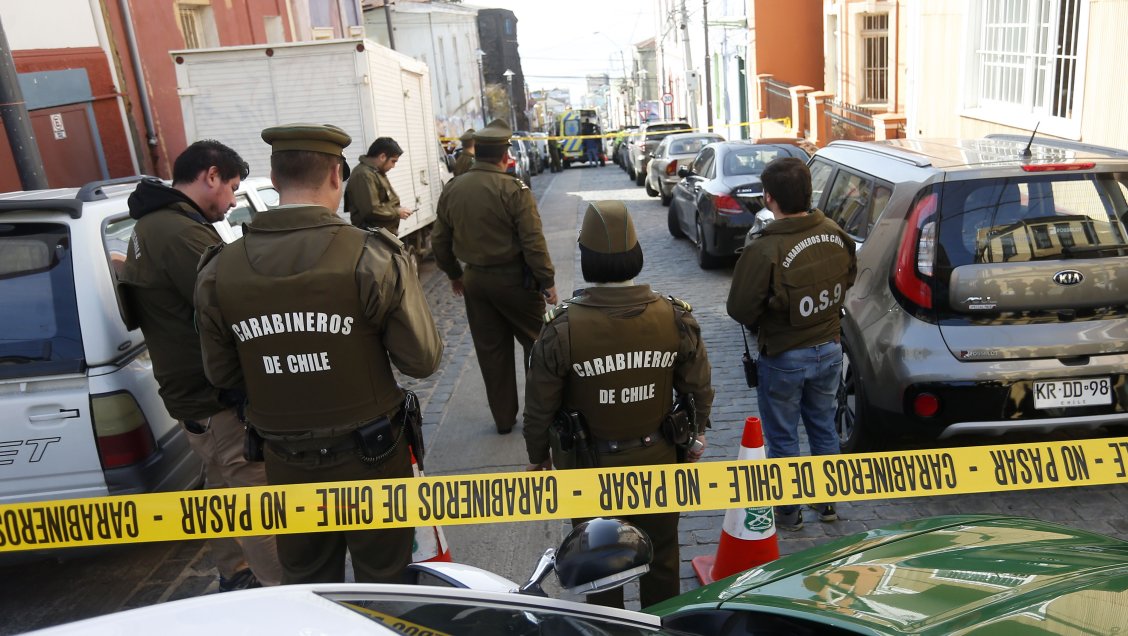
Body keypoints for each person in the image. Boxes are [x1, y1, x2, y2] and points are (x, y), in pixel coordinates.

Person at [196, 124, 443, 584]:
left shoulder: (218, 269)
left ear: (273, 178)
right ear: (336, 175)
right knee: (385, 580)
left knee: (307, 583)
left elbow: (222, 373)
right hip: (372, 455)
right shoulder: (372, 255)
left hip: (285, 460)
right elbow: (422, 360)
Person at [523, 201, 714, 609]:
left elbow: (539, 405)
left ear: (587, 259)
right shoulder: (674, 317)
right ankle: (659, 625)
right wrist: (696, 436)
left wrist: (538, 456)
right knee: (663, 557)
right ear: (636, 256)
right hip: (659, 457)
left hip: (590, 469)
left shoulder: (562, 329)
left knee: (598, 563)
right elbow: (699, 387)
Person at [118, 141, 282, 591]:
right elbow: (233, 303)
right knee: (256, 501)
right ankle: (284, 596)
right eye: (230, 188)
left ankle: (235, 574)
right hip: (214, 396)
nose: (231, 202)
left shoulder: (152, 225)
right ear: (210, 176)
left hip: (190, 396)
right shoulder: (179, 233)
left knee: (222, 489)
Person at [726, 157, 857, 531]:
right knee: (823, 427)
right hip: (830, 348)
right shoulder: (835, 232)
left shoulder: (765, 249)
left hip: (784, 355)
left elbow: (739, 307)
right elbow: (849, 277)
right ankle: (827, 504)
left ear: (769, 198)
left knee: (782, 436)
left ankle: (789, 512)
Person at [432, 118, 557, 435]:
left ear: (476, 155)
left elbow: (439, 241)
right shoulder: (513, 189)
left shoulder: (453, 189)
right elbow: (532, 242)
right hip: (514, 280)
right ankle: (541, 416)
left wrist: (454, 274)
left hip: (475, 280)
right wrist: (547, 281)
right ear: (505, 156)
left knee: (492, 352)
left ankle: (503, 419)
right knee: (538, 345)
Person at [344, 136, 413, 235]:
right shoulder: (364, 175)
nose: (393, 166)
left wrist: (398, 210)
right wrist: (397, 212)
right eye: (393, 161)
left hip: (380, 237)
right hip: (372, 238)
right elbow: (371, 210)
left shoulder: (375, 172)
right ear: (382, 157)